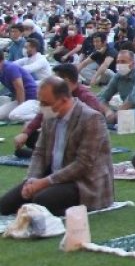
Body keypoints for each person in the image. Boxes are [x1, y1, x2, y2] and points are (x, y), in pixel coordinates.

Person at [0, 77, 113, 216]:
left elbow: (83, 164)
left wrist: (44, 183)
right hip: (53, 175)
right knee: (5, 205)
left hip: (83, 182)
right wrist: (31, 180)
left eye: (45, 103)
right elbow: (39, 153)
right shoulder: (50, 116)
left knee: (39, 202)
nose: (42, 107)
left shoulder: (91, 119)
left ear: (64, 100)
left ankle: (75, 210)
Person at [14, 64, 105, 159]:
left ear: (65, 81)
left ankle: (48, 155)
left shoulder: (86, 97)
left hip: (81, 140)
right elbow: (43, 114)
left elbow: (96, 124)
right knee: (32, 136)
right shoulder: (58, 95)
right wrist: (26, 133)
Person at [0, 57, 39, 123]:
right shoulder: (2, 70)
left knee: (14, 116)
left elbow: (20, 88)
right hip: (20, 99)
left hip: (32, 99)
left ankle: (42, 117)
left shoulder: (10, 68)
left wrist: (20, 106)